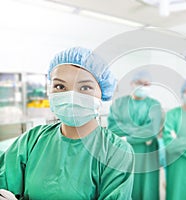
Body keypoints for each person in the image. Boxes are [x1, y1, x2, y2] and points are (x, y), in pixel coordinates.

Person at [0, 47, 134, 199]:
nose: (71, 96)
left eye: (85, 87)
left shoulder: (115, 152)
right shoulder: (32, 140)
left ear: (102, 93)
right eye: (60, 86)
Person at [107, 71, 162, 200]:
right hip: (123, 153)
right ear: (132, 84)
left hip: (146, 155)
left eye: (147, 84)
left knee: (146, 187)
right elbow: (113, 128)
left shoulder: (154, 105)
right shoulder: (118, 104)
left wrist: (127, 136)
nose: (143, 86)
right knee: (125, 185)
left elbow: (151, 130)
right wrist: (141, 133)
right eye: (140, 83)